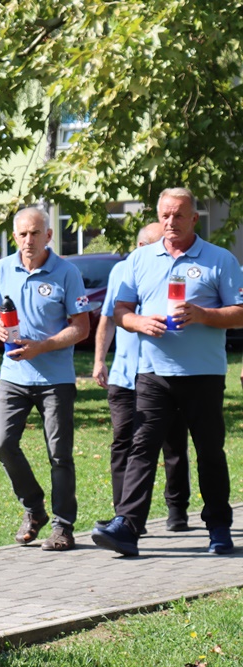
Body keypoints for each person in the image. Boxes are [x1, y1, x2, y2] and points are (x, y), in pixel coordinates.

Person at [92, 187, 243, 557]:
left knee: (209, 452)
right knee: (141, 449)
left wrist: (202, 314)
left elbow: (239, 313)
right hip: (152, 373)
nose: (170, 222)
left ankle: (219, 528)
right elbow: (121, 311)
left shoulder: (219, 259)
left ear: (194, 218)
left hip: (202, 373)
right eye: (165, 215)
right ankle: (127, 527)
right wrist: (140, 322)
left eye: (178, 215)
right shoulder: (140, 259)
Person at [0, 207, 91, 552]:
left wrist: (42, 346)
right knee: (3, 444)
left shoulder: (67, 272)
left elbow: (81, 327)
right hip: (13, 376)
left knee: (59, 455)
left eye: (35, 233)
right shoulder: (3, 269)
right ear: (15, 236)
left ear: (48, 235)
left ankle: (63, 526)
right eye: (22, 234)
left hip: (55, 379)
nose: (28, 240)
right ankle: (34, 508)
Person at [92, 222, 191, 533]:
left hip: (164, 372)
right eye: (157, 244)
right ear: (140, 247)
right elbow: (108, 319)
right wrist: (99, 360)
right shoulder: (122, 271)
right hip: (125, 375)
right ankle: (124, 516)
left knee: (174, 443)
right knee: (124, 444)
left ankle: (177, 509)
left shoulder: (175, 269)